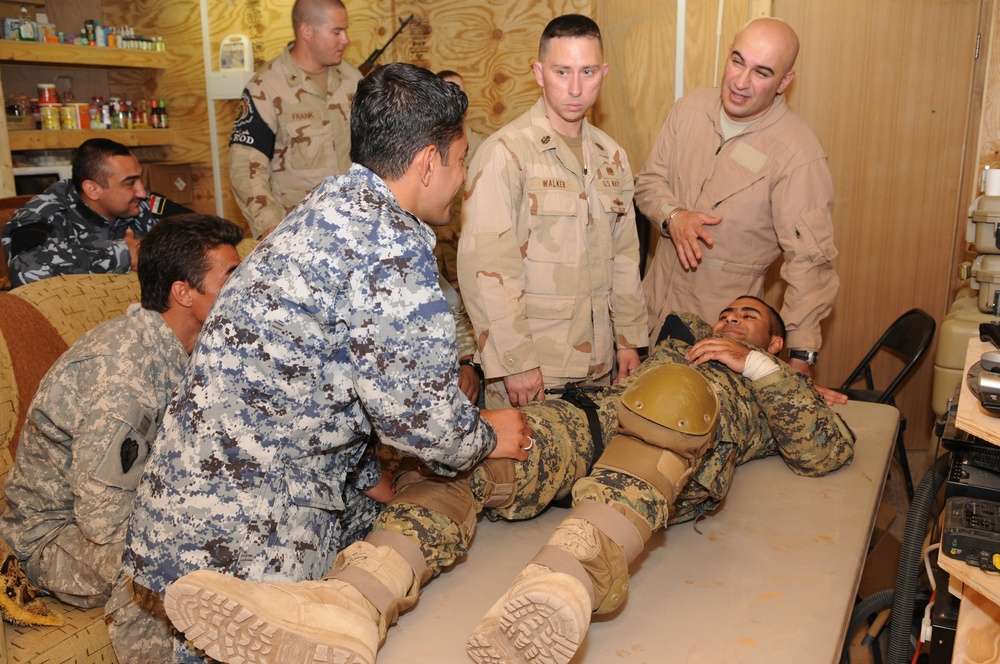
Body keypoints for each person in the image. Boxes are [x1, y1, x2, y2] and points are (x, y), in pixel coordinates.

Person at [158, 295, 855, 664]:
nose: (731, 319)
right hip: (591, 424)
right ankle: (352, 602)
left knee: (673, 388)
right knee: (462, 457)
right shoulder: (681, 342)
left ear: (770, 342)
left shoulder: (771, 386)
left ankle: (563, 583)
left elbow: (825, 452)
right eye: (727, 311)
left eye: (749, 318)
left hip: (673, 449)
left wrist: (759, 366)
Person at [123, 62, 532, 662]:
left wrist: (368, 479)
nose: (463, 178)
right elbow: (419, 417)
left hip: (190, 510)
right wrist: (484, 436)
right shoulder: (388, 248)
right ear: (427, 162)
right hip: (252, 537)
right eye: (460, 158)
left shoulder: (327, 209)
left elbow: (312, 378)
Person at [0, 214, 243, 662]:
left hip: (118, 512)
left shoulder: (191, 347)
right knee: (185, 553)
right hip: (54, 537)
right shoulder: (124, 373)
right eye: (232, 276)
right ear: (183, 292)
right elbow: (104, 522)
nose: (246, 288)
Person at [635, 17, 840, 387]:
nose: (741, 82)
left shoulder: (798, 154)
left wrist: (800, 359)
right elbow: (648, 183)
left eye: (762, 72)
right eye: (737, 61)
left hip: (720, 339)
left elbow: (810, 265)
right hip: (649, 315)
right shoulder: (689, 110)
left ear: (785, 82)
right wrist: (674, 215)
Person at [458, 15, 647, 410]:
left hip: (601, 366)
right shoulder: (505, 152)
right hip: (535, 371)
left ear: (603, 72)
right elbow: (486, 266)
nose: (575, 88)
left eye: (588, 72)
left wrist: (629, 340)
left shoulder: (612, 157)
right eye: (562, 71)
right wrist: (516, 362)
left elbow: (626, 256)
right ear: (539, 73)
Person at [229, 0, 362, 239]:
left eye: (346, 30)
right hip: (299, 233)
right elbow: (247, 169)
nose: (346, 39)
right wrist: (271, 229)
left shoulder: (352, 79)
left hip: (354, 226)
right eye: (337, 32)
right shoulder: (266, 88)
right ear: (306, 31)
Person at [1, 138, 192, 287]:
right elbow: (24, 269)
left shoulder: (143, 204)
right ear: (92, 189)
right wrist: (124, 255)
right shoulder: (43, 214)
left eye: (140, 180)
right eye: (129, 183)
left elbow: (205, 234)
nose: (142, 192)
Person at [432, 69, 487, 291]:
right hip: (434, 266)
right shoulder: (422, 153)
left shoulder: (486, 148)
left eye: (459, 93)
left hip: (470, 263)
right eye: (447, 93)